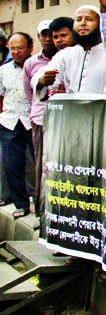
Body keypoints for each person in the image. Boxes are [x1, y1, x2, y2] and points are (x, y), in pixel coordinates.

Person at [35, 6, 106, 98]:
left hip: (104, 110)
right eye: (78, 20)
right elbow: (41, 75)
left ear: (101, 24)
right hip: (73, 110)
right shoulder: (66, 54)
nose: (83, 23)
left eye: (89, 19)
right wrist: (42, 80)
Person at [23, 20, 58, 212]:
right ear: (39, 38)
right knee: (40, 164)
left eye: (52, 34)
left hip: (63, 119)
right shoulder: (31, 63)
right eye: (44, 35)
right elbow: (29, 91)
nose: (48, 39)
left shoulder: (66, 56)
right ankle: (40, 208)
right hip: (40, 119)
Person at [0, 33, 34, 217]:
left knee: (39, 165)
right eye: (12, 49)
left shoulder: (37, 66)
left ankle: (40, 203)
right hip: (9, 121)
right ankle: (20, 204)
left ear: (30, 47)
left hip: (32, 120)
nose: (16, 52)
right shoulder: (3, 70)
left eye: (19, 48)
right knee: (12, 164)